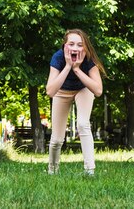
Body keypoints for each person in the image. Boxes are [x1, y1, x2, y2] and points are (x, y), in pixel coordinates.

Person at [46, 29, 105, 175]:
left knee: (83, 124)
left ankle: (89, 170)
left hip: (83, 89)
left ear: (85, 47)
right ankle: (52, 171)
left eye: (80, 45)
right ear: (64, 46)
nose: (75, 48)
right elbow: (50, 91)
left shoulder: (89, 59)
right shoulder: (58, 58)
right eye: (71, 44)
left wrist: (77, 69)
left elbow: (98, 91)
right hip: (61, 91)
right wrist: (67, 66)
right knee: (57, 139)